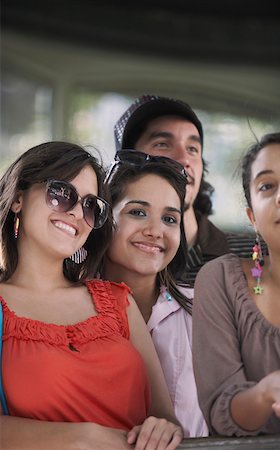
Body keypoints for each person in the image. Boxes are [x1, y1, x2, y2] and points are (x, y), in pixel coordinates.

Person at [0, 141, 183, 450]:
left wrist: (162, 429)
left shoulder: (118, 302)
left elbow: (167, 419)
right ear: (18, 198)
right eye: (61, 194)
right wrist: (78, 437)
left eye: (90, 206)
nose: (75, 212)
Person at [192, 131, 280, 436]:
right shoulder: (221, 281)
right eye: (267, 186)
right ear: (252, 217)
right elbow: (220, 415)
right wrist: (269, 390)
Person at [103, 150, 208, 438]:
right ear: (102, 218)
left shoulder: (206, 310)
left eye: (170, 219)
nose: (155, 230)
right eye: (137, 212)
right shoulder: (65, 309)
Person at [113, 94, 261, 285]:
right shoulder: (91, 263)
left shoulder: (254, 257)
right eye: (163, 144)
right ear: (128, 164)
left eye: (192, 149)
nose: (184, 160)